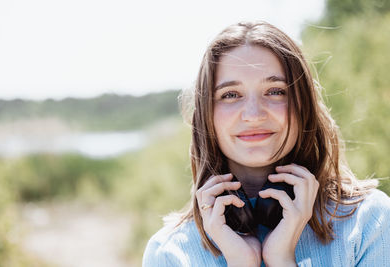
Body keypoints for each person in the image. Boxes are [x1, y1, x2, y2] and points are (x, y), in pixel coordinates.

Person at [142, 21, 390, 266]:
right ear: (207, 116)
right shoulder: (170, 254)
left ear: (303, 105)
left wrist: (281, 260)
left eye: (275, 91)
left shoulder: (370, 222)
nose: (253, 114)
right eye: (230, 95)